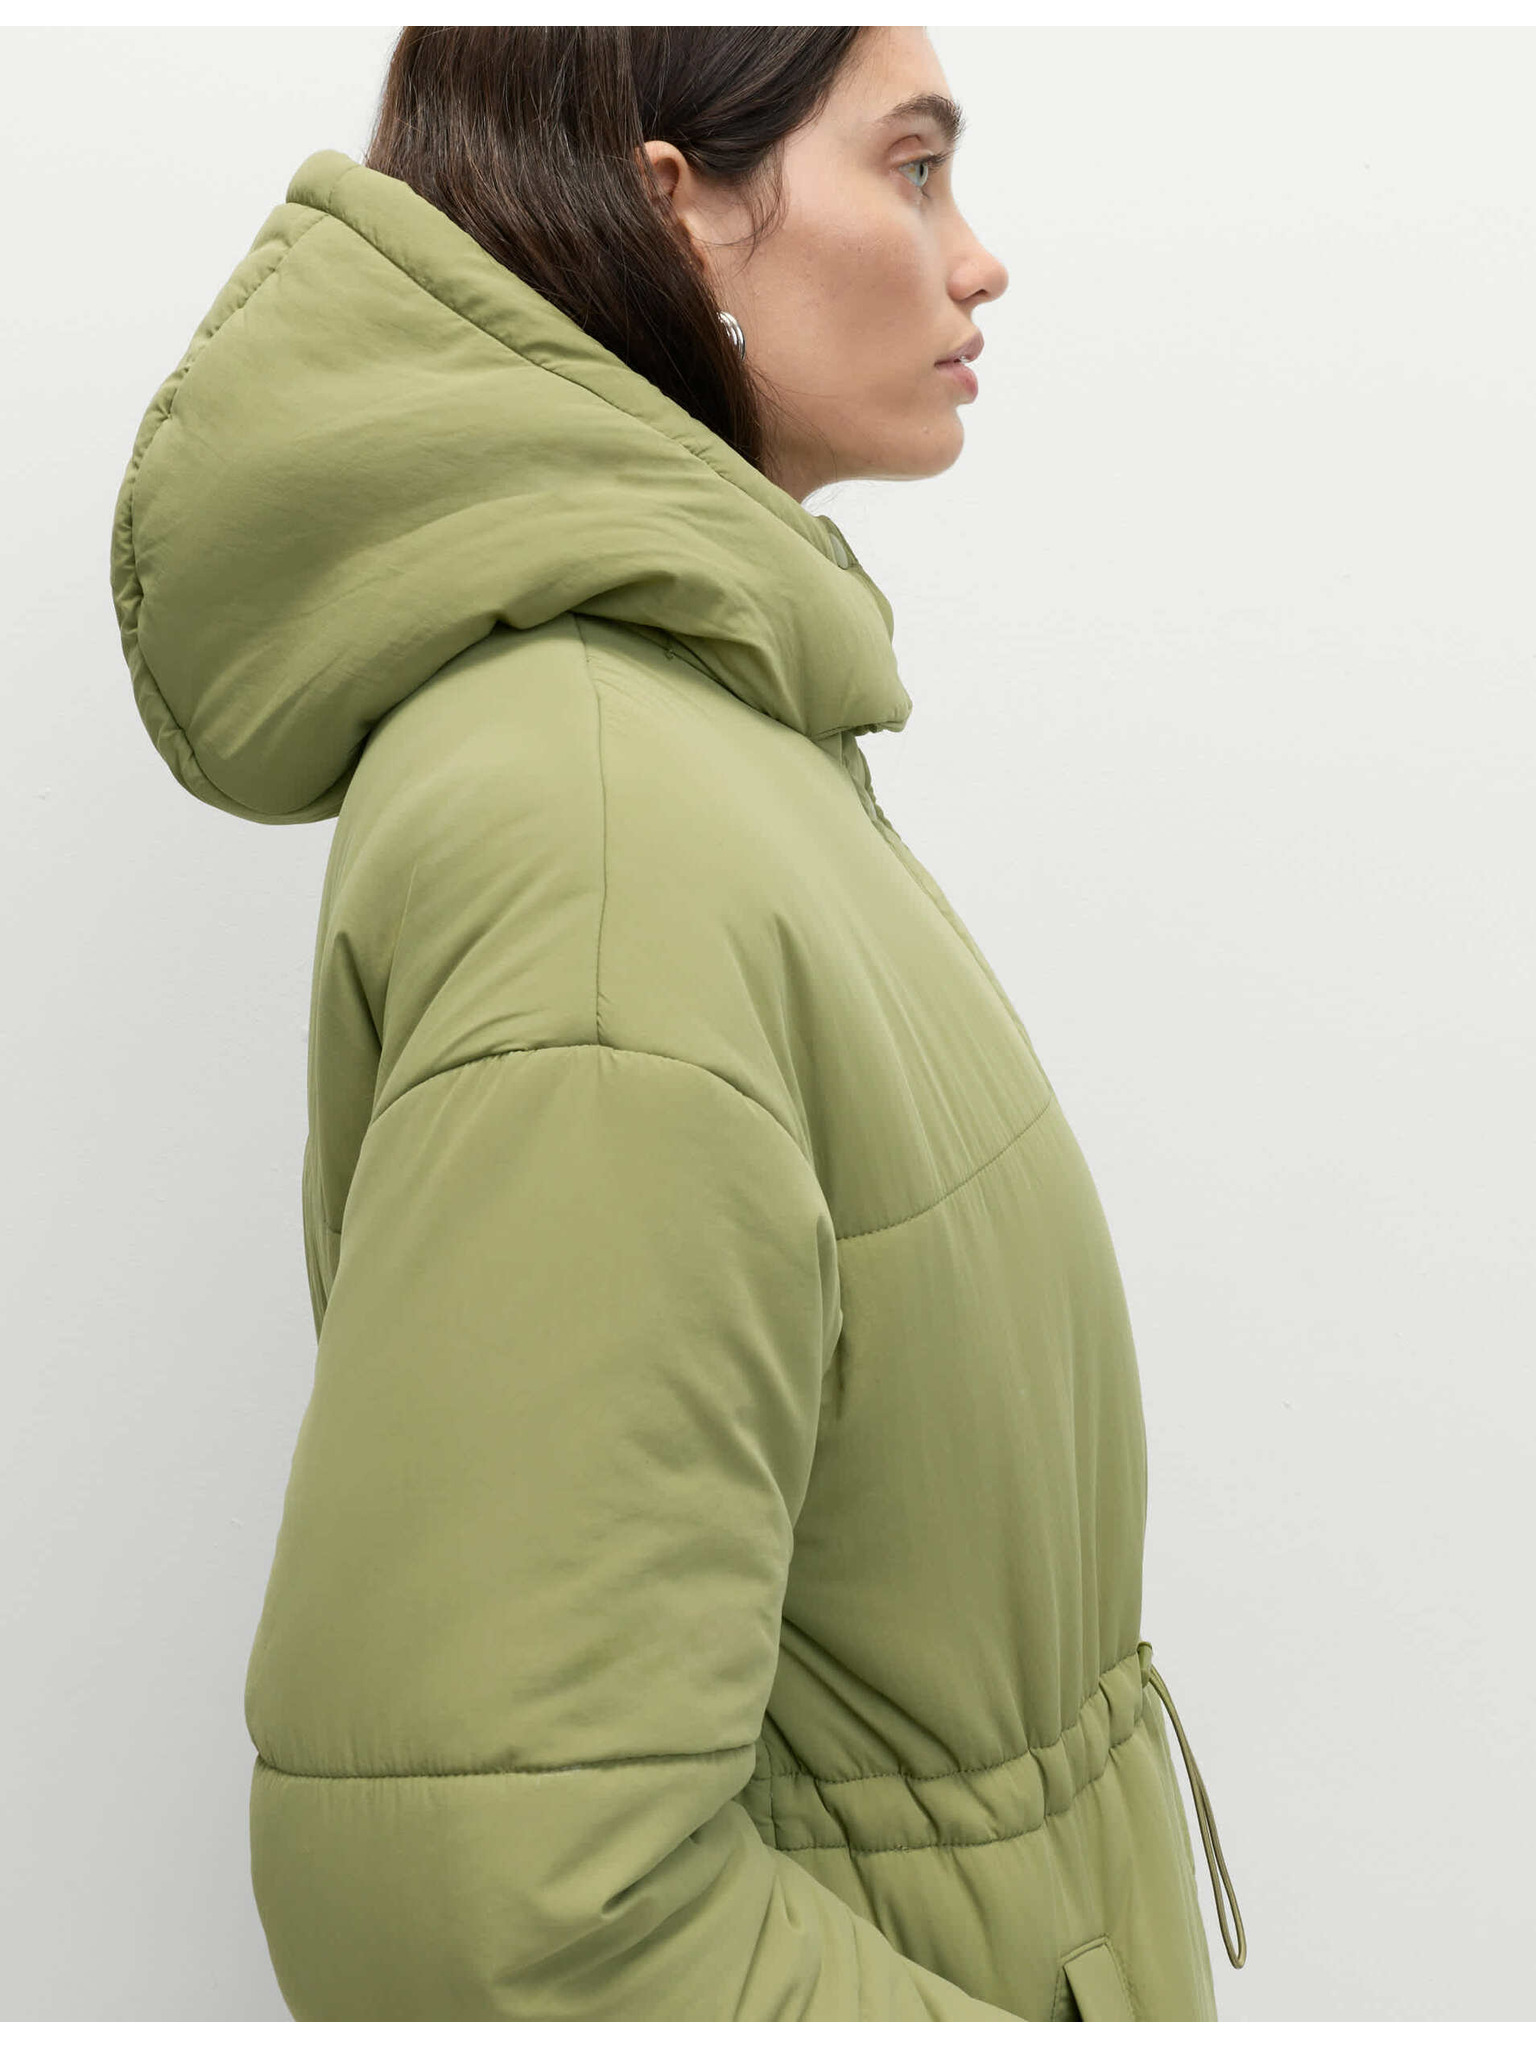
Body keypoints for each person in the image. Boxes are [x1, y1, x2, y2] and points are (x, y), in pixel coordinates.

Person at [109, 24, 1246, 2021]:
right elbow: (503, 1912)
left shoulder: (699, 741)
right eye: (912, 166)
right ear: (677, 210)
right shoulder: (597, 832)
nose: (977, 254)